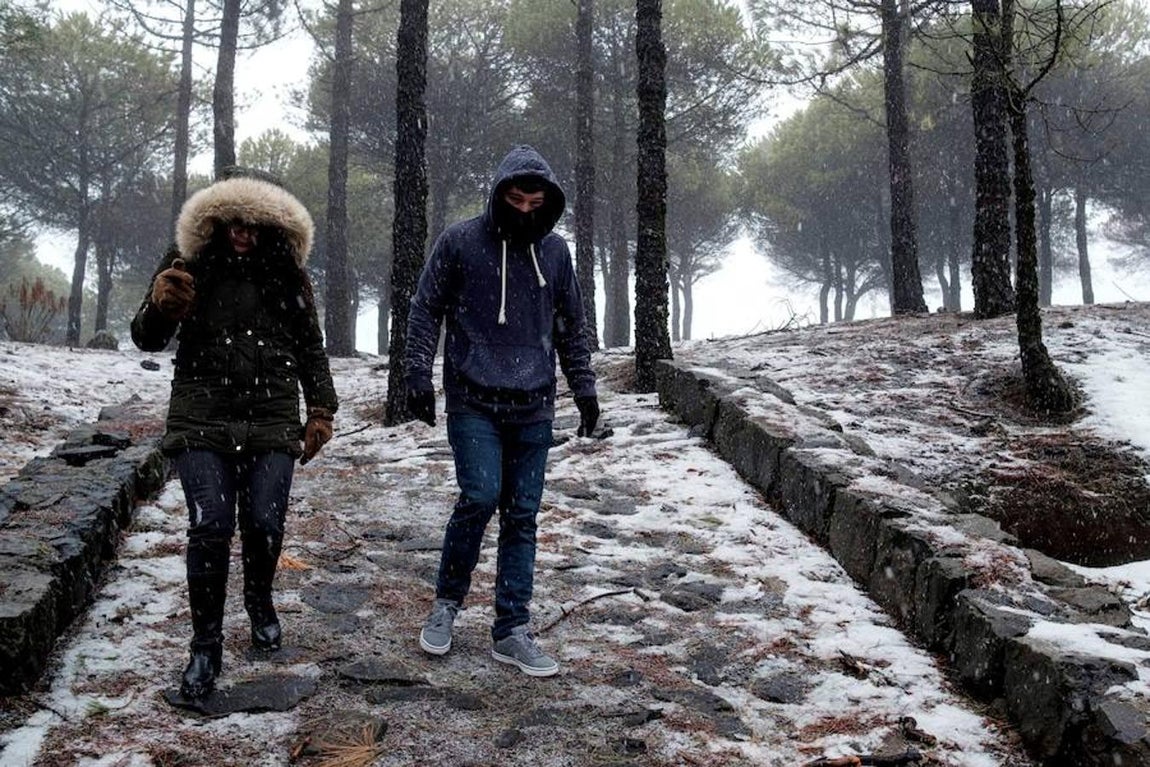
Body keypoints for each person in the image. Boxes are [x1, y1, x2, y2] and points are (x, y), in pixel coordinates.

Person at [131, 167, 339, 699]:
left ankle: (259, 598)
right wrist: (159, 306)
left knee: (266, 523)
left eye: (255, 225)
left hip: (271, 414)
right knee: (211, 525)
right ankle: (205, 644)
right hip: (202, 413)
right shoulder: (186, 261)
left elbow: (310, 342)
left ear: (271, 225)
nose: (245, 233)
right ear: (216, 219)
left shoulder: (288, 273)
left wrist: (320, 407)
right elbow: (147, 339)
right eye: (234, 223)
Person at [405, 145, 600, 678]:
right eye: (514, 199)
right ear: (497, 194)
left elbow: (571, 327)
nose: (523, 210)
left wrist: (584, 389)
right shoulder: (460, 242)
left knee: (522, 514)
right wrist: (417, 374)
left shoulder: (557, 254)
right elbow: (425, 310)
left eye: (534, 202)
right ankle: (446, 604)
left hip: (535, 405)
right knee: (480, 496)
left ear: (548, 204)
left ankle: (511, 628)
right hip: (473, 399)